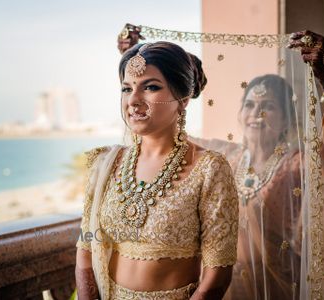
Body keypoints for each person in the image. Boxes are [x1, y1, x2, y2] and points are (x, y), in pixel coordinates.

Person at [118, 25, 324, 300]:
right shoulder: (223, 156)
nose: (256, 114)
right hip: (220, 285)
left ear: (286, 119)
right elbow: (161, 127)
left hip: (280, 285)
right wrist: (135, 58)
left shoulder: (297, 163)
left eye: (268, 106)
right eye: (249, 105)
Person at [75, 40, 239, 300]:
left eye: (150, 87)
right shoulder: (105, 163)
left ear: (183, 98)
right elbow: (86, 249)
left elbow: (217, 273)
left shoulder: (209, 169)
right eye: (126, 89)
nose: (134, 100)